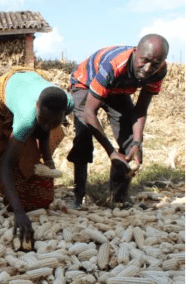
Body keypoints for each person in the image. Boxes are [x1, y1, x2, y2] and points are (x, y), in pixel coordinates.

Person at [67, 34, 169, 208]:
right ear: (135, 52)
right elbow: (89, 113)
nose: (147, 68)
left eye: (155, 64)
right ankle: (79, 194)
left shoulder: (159, 71)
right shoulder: (113, 65)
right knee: (84, 134)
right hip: (85, 83)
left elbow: (141, 109)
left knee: (130, 139)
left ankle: (119, 197)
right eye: (144, 61)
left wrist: (136, 142)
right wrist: (111, 152)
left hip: (117, 90)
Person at [0, 68, 73, 248]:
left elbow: (43, 130)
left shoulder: (68, 103)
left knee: (41, 140)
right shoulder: (26, 118)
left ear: (63, 114)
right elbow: (6, 165)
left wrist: (47, 159)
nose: (48, 126)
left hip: (33, 82)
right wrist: (18, 212)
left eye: (54, 121)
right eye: (44, 119)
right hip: (5, 88)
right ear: (37, 107)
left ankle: (22, 187)